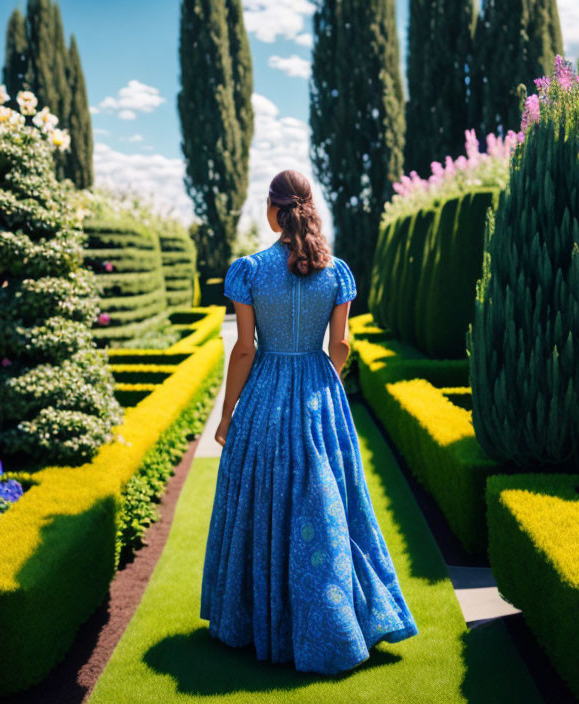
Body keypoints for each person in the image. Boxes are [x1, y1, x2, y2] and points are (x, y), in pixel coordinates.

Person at [199, 169, 418, 675]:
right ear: (311, 204)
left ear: (274, 209)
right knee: (331, 508)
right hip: (321, 395)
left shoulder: (249, 270)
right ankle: (344, 619)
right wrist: (328, 382)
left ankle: (255, 623)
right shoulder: (336, 270)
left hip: (266, 396)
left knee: (260, 500)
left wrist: (228, 413)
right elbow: (339, 345)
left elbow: (245, 349)